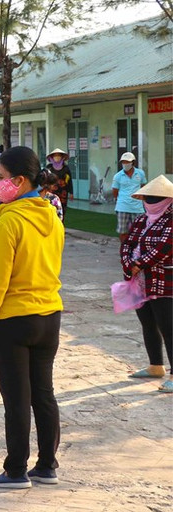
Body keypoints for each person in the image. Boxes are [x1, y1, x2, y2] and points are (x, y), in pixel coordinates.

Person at [0, 146, 64, 489]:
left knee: (17, 399)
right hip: (49, 315)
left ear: (21, 181)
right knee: (43, 394)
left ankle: (15, 470)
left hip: (13, 320)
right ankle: (47, 465)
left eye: (1, 177)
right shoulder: (52, 217)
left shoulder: (9, 222)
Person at [119, 175, 173, 393]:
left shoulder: (171, 219)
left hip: (164, 281)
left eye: (155, 198)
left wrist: (138, 264)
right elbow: (128, 243)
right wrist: (128, 263)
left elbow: (165, 247)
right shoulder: (142, 219)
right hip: (141, 282)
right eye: (148, 198)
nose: (150, 202)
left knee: (169, 328)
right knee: (148, 323)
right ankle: (155, 366)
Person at [112, 151, 148, 242]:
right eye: (123, 162)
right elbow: (115, 192)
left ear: (132, 162)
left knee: (138, 231)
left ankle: (136, 248)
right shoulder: (118, 176)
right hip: (122, 207)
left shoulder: (140, 173)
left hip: (137, 207)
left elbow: (143, 187)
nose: (125, 164)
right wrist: (123, 199)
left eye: (127, 162)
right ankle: (124, 248)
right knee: (123, 231)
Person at [44, 148, 74, 215]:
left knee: (62, 208)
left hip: (63, 192)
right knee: (51, 207)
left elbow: (69, 180)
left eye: (59, 155)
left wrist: (71, 192)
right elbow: (45, 179)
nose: (57, 157)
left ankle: (61, 220)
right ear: (52, 157)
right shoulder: (49, 167)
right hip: (51, 191)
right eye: (55, 155)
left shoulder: (66, 168)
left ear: (62, 157)